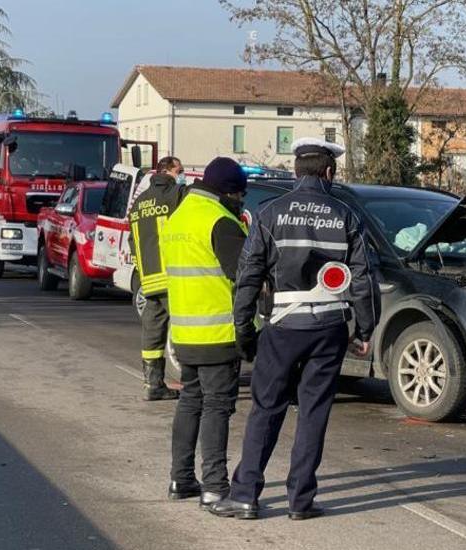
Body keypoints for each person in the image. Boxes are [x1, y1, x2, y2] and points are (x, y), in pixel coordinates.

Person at [211, 138, 380, 521]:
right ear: (330, 173)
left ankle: (245, 496)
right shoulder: (345, 216)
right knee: (314, 412)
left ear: (295, 172)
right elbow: (363, 278)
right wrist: (365, 330)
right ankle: (301, 501)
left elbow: (248, 274)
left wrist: (243, 328)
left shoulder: (271, 213)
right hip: (330, 326)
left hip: (283, 326)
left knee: (266, 409)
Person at [162, 157, 249, 508]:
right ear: (228, 191)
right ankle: (215, 486)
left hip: (184, 331)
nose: (241, 201)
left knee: (190, 403)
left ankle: (180, 479)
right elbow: (245, 278)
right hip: (217, 333)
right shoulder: (221, 221)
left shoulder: (179, 217)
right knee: (216, 408)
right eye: (240, 195)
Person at [129, 156, 187, 401]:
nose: (182, 174)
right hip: (173, 275)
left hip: (149, 278)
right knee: (186, 329)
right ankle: (195, 381)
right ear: (167, 171)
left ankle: (153, 384)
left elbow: (133, 240)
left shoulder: (139, 202)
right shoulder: (176, 194)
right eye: (180, 170)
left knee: (153, 331)